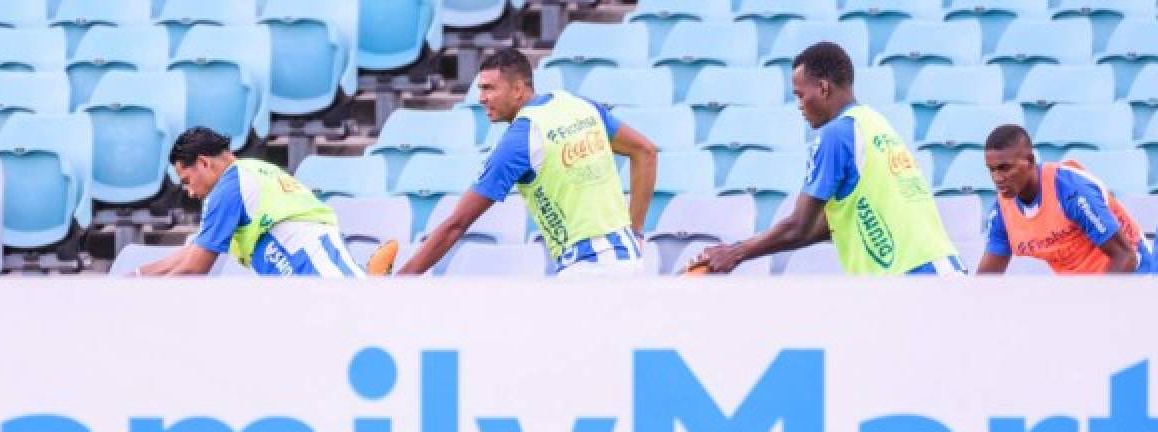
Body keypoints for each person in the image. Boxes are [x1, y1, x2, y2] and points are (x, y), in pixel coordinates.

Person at [692, 42, 963, 275]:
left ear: (822, 88)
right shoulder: (873, 122)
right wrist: (734, 251)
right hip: (930, 269)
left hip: (914, 275)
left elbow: (799, 226)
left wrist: (737, 252)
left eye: (800, 94)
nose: (799, 105)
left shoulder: (835, 134)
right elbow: (824, 226)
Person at [397, 48, 658, 277]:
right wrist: (634, 233)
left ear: (518, 89)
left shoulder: (521, 140)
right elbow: (645, 152)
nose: (481, 98)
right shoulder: (578, 104)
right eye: (480, 89)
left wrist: (398, 282)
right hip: (628, 260)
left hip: (589, 268)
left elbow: (456, 224)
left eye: (489, 88)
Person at [138, 127, 363, 277]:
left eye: (186, 181)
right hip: (303, 274)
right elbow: (192, 252)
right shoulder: (246, 175)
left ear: (204, 163)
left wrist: (138, 294)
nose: (188, 192)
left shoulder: (230, 187)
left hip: (316, 269)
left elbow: (195, 267)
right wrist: (138, 276)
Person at [977, 124, 1153, 274]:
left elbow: (1126, 257)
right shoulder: (1002, 211)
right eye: (991, 169)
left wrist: (1094, 305)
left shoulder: (1071, 191)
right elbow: (986, 280)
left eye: (1005, 168)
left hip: (1137, 277)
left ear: (1030, 161)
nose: (997, 178)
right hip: (1078, 293)